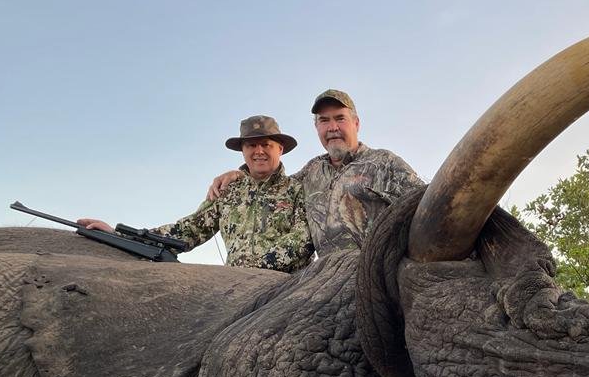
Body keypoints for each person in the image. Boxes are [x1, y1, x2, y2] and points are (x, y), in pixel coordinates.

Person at [78, 116, 313, 272]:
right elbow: (188, 230)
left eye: (266, 144)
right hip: (238, 288)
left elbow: (302, 239)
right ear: (242, 150)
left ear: (280, 149)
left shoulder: (297, 189)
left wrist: (252, 268)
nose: (258, 151)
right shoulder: (228, 191)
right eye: (251, 145)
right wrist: (119, 235)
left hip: (286, 289)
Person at [207, 90, 423, 257]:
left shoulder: (384, 163)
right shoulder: (311, 171)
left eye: (340, 118)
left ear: (356, 123)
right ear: (316, 127)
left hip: (379, 281)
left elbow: (426, 207)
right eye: (324, 120)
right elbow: (273, 187)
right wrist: (241, 174)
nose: (332, 127)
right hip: (328, 288)